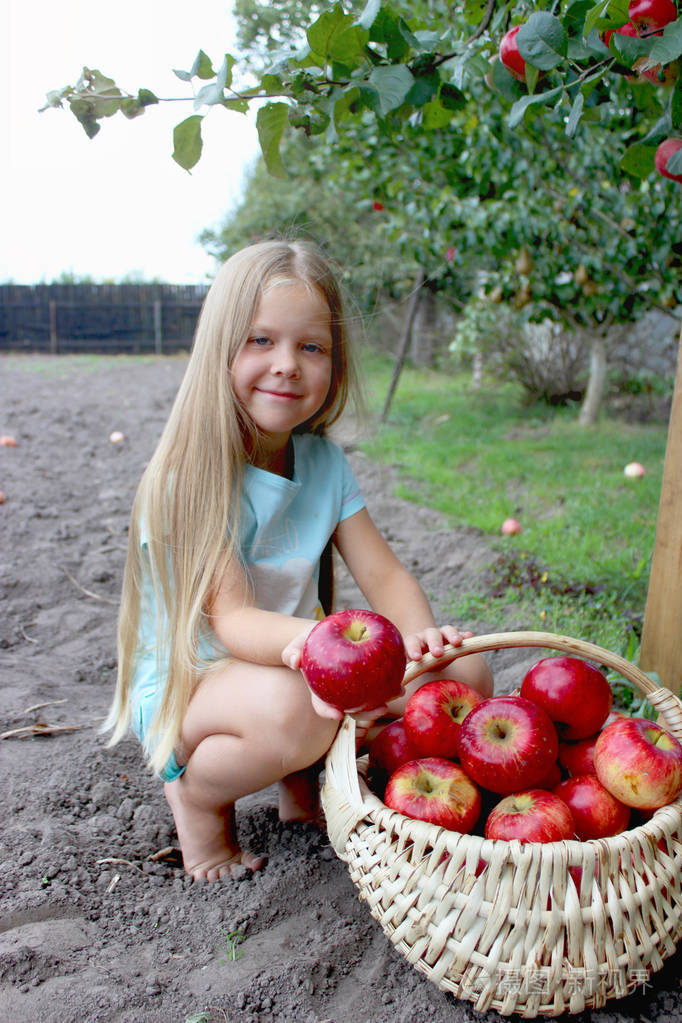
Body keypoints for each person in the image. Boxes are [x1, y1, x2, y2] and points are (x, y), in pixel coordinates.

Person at [105, 239, 493, 882]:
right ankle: (198, 801)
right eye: (260, 340)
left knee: (466, 676)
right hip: (196, 685)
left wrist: (422, 641)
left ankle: (302, 787)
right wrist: (325, 649)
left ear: (333, 364)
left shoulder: (323, 464)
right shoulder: (191, 477)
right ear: (218, 350)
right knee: (297, 707)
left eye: (310, 347)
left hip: (297, 666)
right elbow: (233, 622)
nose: (286, 365)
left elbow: (386, 576)